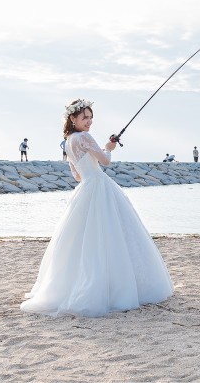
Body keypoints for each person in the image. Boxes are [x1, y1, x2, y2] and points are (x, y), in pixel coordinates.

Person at [21, 99, 173, 317]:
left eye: (91, 117)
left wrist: (97, 155)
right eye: (85, 118)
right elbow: (105, 161)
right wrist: (109, 148)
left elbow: (76, 175)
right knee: (112, 235)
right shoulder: (84, 137)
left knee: (85, 240)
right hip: (99, 186)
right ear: (73, 119)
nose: (89, 122)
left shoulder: (68, 141)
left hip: (85, 188)